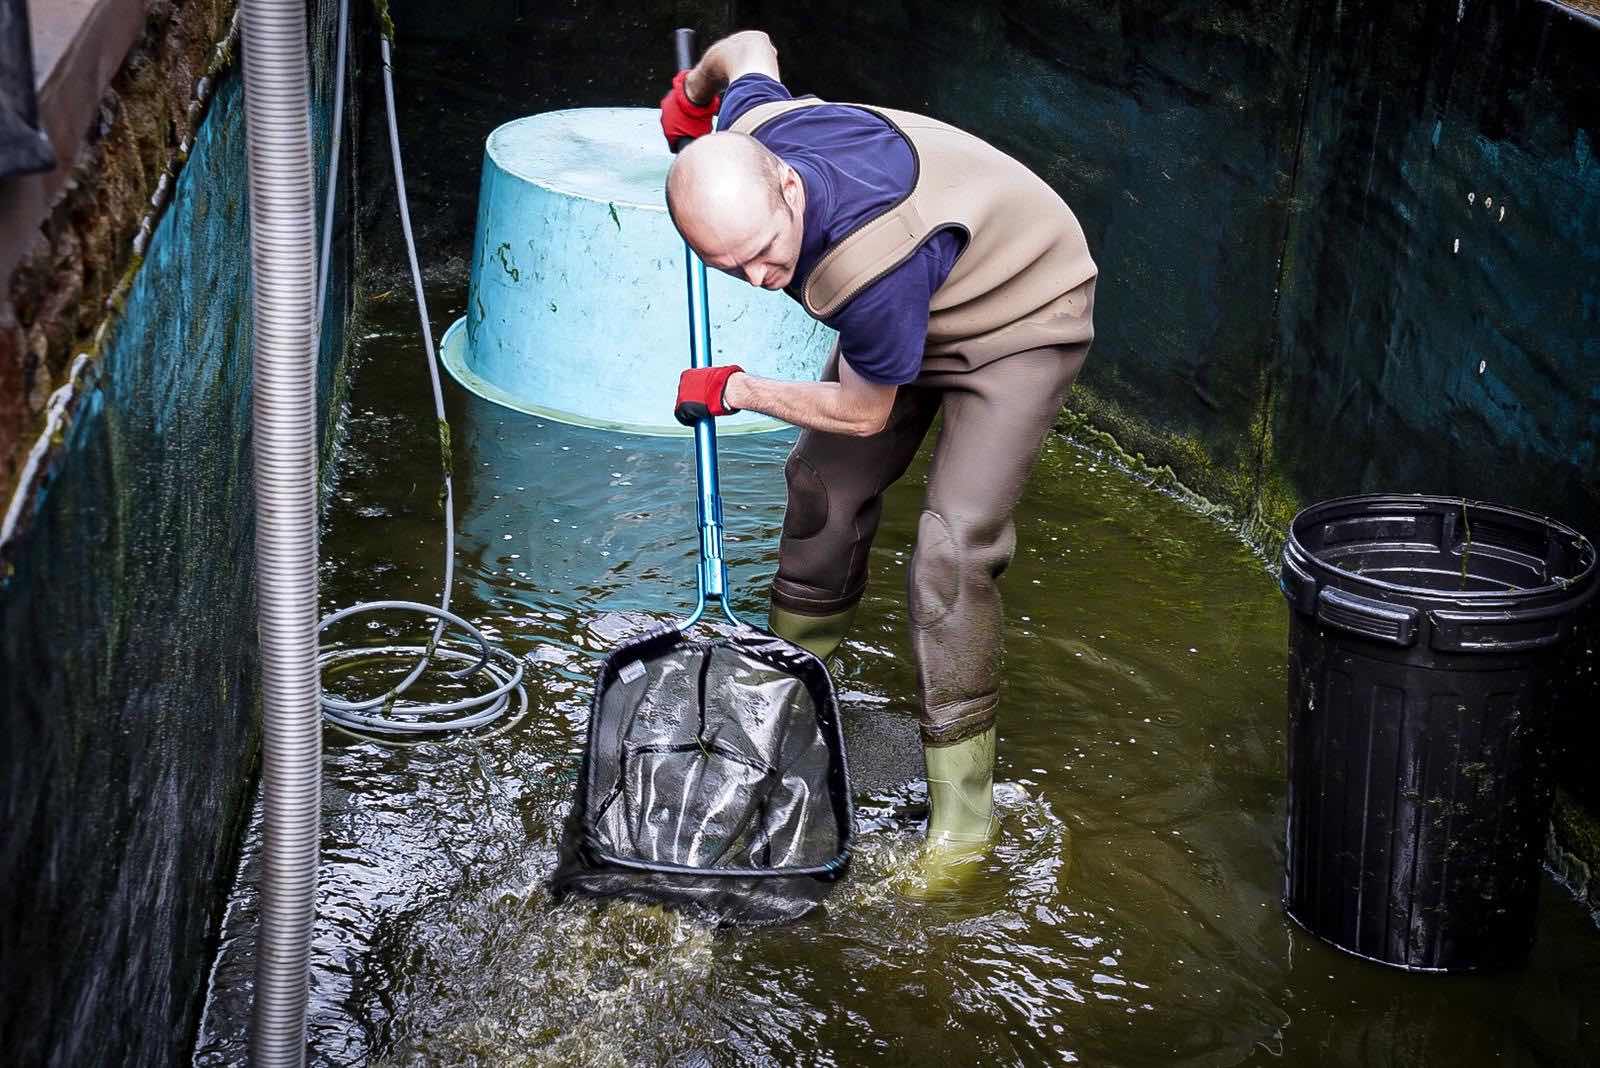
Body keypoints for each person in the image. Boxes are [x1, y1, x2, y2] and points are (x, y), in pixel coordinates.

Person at [658, 30, 1097, 859]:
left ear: (789, 186)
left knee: (951, 554)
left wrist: (736, 389)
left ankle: (963, 826)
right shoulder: (757, 131)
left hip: (1022, 308)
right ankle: (786, 700)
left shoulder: (869, 264)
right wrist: (693, 97)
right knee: (819, 490)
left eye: (765, 255)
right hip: (918, 295)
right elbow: (748, 48)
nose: (761, 280)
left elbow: (863, 413)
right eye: (731, 267)